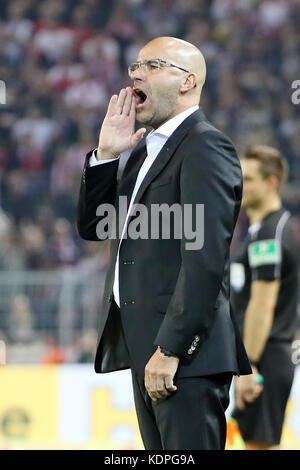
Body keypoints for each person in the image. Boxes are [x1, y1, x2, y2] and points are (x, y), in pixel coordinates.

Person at [77, 36, 252, 450]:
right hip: (147, 352)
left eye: (152, 65)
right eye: (134, 66)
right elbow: (95, 226)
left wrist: (171, 349)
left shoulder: (205, 146)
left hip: (181, 357)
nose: (136, 74)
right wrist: (105, 155)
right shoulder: (141, 152)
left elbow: (204, 262)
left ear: (188, 81)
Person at [230, 145, 299, 450]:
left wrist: (250, 366)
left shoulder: (270, 234)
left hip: (265, 357)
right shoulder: (260, 230)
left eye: (250, 179)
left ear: (272, 182)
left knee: (260, 446)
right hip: (263, 356)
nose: (241, 185)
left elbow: (263, 303)